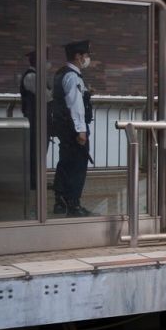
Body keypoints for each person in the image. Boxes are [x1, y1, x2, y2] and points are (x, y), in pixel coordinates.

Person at [48, 40, 93, 217]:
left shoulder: (61, 73)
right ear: (77, 56)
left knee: (65, 163)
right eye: (86, 55)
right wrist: (81, 130)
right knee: (77, 166)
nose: (87, 59)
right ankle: (74, 204)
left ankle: (60, 202)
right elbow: (76, 106)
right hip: (74, 129)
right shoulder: (73, 76)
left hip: (63, 127)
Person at [17, 51, 38, 192]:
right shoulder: (31, 76)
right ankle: (32, 181)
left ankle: (35, 180)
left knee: (36, 150)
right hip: (33, 118)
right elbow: (46, 95)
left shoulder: (34, 75)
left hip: (35, 118)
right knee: (33, 150)